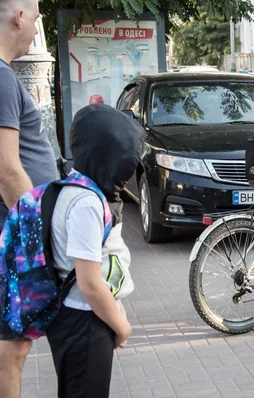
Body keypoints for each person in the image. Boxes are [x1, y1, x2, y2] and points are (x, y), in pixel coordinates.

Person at [45, 104, 144, 398]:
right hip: (84, 322)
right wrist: (120, 325)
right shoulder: (86, 203)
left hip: (76, 317)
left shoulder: (74, 187)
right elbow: (89, 283)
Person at [0, 1, 60, 397]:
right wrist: (43, 240)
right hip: (17, 235)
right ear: (19, 17)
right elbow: (7, 170)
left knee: (14, 345)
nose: (36, 25)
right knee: (13, 349)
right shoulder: (2, 79)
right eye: (37, 18)